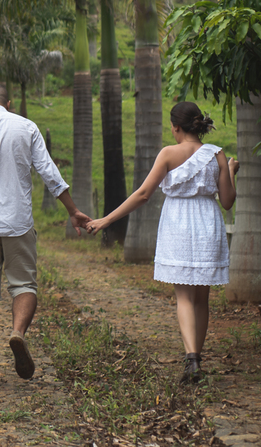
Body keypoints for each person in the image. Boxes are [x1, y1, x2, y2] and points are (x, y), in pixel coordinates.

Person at [0, 84, 92, 387]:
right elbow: (50, 173)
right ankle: (18, 333)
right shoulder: (26, 127)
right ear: (8, 104)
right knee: (23, 284)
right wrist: (72, 211)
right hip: (18, 221)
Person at [85, 101, 238, 383]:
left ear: (175, 127)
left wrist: (106, 220)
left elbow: (144, 194)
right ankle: (197, 359)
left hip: (178, 222)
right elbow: (227, 202)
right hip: (207, 222)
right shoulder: (217, 154)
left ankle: (191, 360)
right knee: (201, 297)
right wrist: (229, 170)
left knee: (184, 296)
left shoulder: (168, 153)